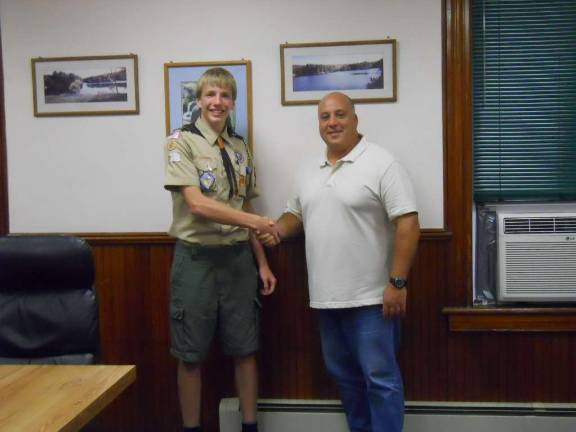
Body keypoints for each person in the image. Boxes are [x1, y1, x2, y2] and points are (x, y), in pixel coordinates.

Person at [258, 92, 420, 432]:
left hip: (373, 299)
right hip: (326, 299)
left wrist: (397, 283)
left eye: (340, 115)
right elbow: (294, 214)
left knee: (381, 380)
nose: (332, 122)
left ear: (355, 119)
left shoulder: (381, 163)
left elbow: (408, 223)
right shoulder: (308, 169)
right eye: (325, 117)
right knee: (345, 379)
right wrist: (278, 231)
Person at [164, 67, 278, 432]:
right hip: (196, 261)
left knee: (245, 350)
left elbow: (244, 206)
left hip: (238, 261)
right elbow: (197, 204)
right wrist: (257, 225)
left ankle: (249, 426)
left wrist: (262, 263)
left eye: (225, 95)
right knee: (191, 356)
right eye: (211, 95)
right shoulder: (179, 142)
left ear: (233, 102)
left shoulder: (241, 148)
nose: (218, 102)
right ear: (198, 101)